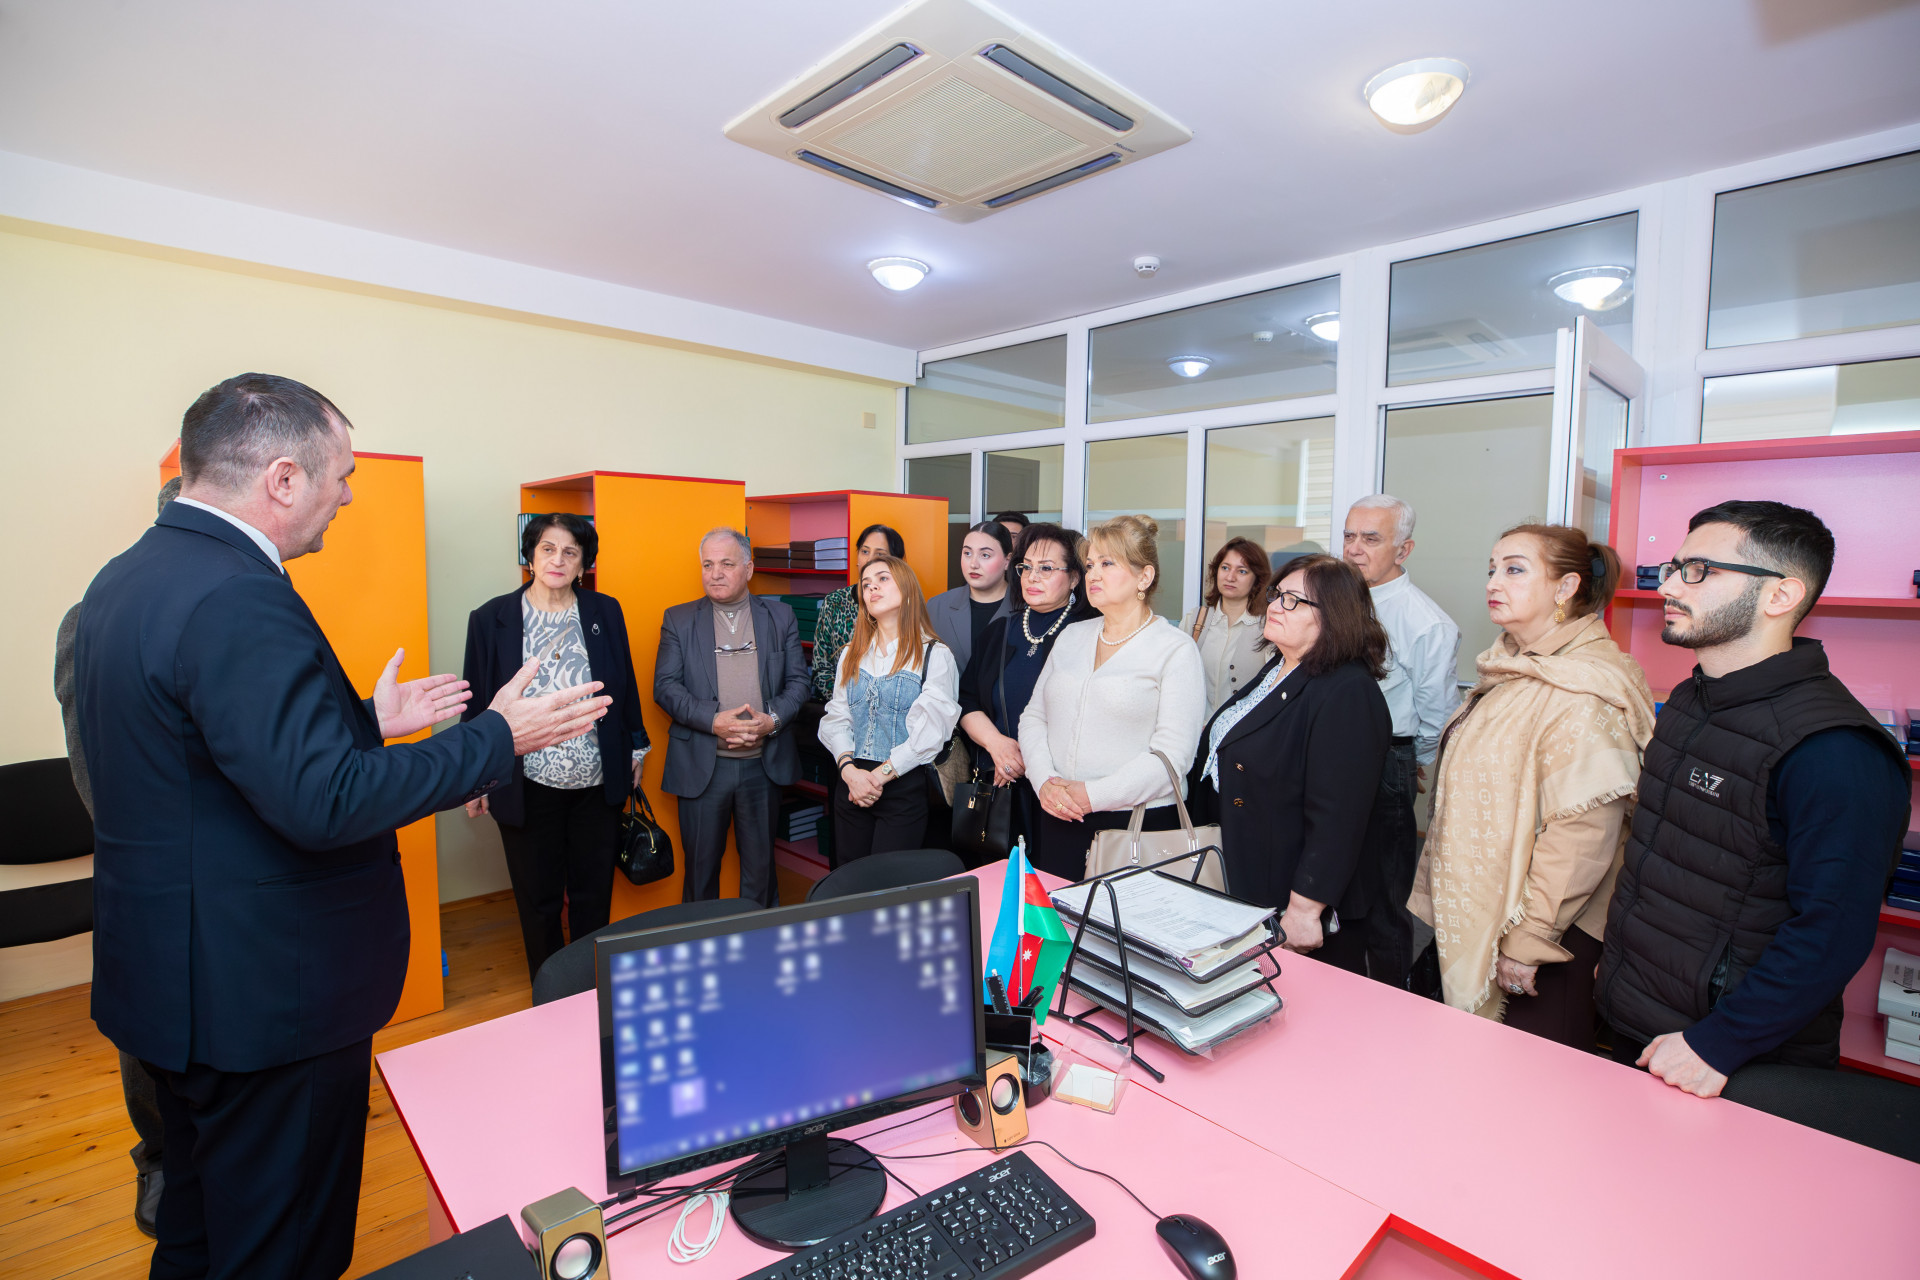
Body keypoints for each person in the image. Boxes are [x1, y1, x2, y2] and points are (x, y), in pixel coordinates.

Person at [72, 373, 608, 1280]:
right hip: (264, 1001)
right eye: (342, 474)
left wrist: (365, 719)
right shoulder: (239, 594)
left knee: (199, 1233)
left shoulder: (129, 578)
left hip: (175, 985)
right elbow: (325, 801)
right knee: (283, 1251)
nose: (348, 495)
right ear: (283, 478)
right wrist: (496, 738)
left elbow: (206, 760)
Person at [1597, 501, 1911, 1095]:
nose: (1668, 586)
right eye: (1673, 567)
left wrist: (1721, 1042)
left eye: (1698, 570)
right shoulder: (1691, 699)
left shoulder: (1834, 749)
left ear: (1780, 595)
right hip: (1638, 1014)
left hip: (1728, 1057)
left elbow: (1833, 932)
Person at [1410, 524, 1654, 1046]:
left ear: (1565, 587)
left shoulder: (1583, 687)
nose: (1493, 582)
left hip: (1546, 932)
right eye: (1492, 569)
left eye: (1515, 570)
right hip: (1496, 907)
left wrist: (1529, 938)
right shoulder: (1514, 669)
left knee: (1532, 1076)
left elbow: (1583, 833)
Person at [53, 475, 179, 1238]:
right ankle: (158, 1158)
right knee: (150, 1038)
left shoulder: (259, 608)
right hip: (148, 872)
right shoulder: (93, 620)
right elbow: (89, 767)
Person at [459, 513, 650, 981]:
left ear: (584, 562)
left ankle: (589, 989)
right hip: (525, 783)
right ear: (530, 556)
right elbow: (478, 702)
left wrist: (636, 748)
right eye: (547, 548)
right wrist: (474, 776)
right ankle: (548, 989)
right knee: (538, 899)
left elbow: (624, 684)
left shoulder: (605, 611)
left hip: (597, 781)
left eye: (570, 551)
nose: (557, 560)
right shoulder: (490, 619)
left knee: (592, 895)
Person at [1186, 556, 1392, 972]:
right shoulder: (1282, 667)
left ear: (1333, 615)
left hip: (1290, 893)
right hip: (1249, 872)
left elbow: (1339, 816)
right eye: (1277, 595)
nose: (1276, 606)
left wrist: (1305, 907)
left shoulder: (1347, 691)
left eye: (1293, 601)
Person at [1018, 515, 1207, 881]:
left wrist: (1092, 795)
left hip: (1136, 826)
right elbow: (1034, 717)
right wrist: (1044, 782)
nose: (1093, 575)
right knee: (1058, 916)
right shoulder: (1072, 636)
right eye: (1090, 565)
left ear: (1144, 577)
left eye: (1107, 564)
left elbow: (1173, 756)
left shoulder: (1174, 649)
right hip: (1058, 815)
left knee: (1120, 920)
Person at [1342, 494, 1462, 990]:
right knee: (1336, 887)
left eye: (1371, 538)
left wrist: (1416, 762)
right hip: (1331, 755)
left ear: (1403, 549)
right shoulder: (1336, 599)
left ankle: (1392, 1001)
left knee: (1385, 898)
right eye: (1349, 535)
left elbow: (1438, 712)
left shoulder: (1425, 621)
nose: (1354, 548)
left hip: (1387, 759)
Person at [655, 527, 811, 907]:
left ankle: (758, 941)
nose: (715, 574)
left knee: (761, 873)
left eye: (726, 564)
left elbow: (799, 683)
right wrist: (714, 722)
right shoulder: (679, 619)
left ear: (749, 568)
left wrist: (771, 721)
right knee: (700, 873)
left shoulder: (780, 616)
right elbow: (666, 687)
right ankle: (702, 942)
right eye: (707, 565)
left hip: (763, 766)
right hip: (703, 767)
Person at [958, 523, 1098, 856]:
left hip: (1061, 789)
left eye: (1046, 568)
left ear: (1074, 578)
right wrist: (997, 746)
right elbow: (966, 700)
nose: (1032, 577)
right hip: (1000, 785)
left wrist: (1030, 758)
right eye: (1026, 567)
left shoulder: (1089, 634)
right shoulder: (999, 631)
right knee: (998, 879)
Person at [819, 555, 961, 861]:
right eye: (866, 584)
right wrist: (850, 773)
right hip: (851, 783)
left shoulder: (935, 655)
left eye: (883, 579)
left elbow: (931, 735)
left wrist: (877, 778)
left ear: (907, 590)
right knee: (850, 878)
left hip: (903, 786)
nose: (872, 588)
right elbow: (837, 719)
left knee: (889, 883)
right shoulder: (851, 654)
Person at [809, 523, 904, 702]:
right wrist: (850, 704)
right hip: (840, 705)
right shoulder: (835, 602)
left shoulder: (902, 605)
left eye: (880, 554)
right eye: (865, 551)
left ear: (897, 563)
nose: (870, 560)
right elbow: (821, 668)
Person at [1179, 537, 1272, 714]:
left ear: (1257, 579)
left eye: (1242, 571)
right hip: (1197, 726)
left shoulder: (1267, 627)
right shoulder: (1194, 620)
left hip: (1243, 728)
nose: (1230, 577)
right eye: (1225, 568)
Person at [926, 520, 1013, 673]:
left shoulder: (1025, 607)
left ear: (1007, 560)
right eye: (967, 553)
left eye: (985, 555)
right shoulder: (936, 607)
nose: (973, 564)